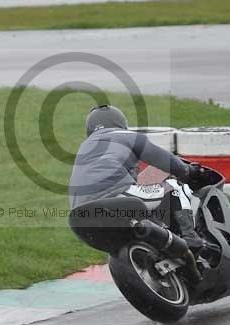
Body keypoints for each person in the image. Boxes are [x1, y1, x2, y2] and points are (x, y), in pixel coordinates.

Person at [68, 104, 210, 250]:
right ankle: (191, 239)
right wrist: (189, 171)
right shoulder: (126, 136)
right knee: (175, 187)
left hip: (79, 215)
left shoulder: (85, 147)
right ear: (120, 123)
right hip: (114, 194)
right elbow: (166, 160)